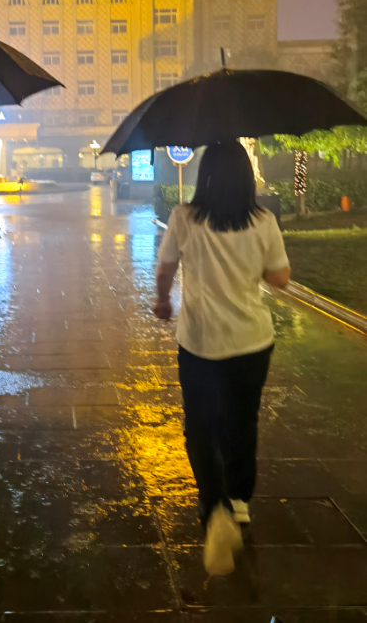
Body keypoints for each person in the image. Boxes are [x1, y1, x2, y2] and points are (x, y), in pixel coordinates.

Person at [152, 140, 290, 576]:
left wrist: (162, 302)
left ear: (204, 175)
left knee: (200, 425)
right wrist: (252, 263)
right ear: (247, 177)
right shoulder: (263, 220)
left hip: (200, 343)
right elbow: (280, 278)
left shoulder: (184, 217)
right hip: (252, 342)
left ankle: (213, 507)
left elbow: (165, 268)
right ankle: (239, 501)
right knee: (242, 421)